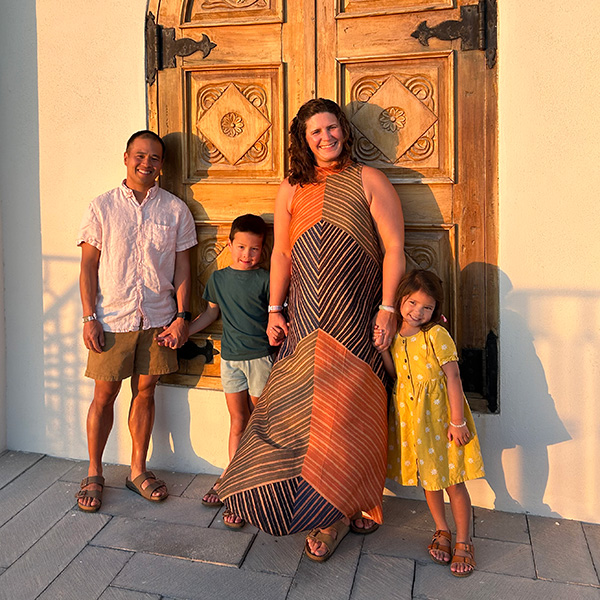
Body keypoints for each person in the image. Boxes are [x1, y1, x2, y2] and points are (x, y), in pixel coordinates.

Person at [217, 98, 405, 561]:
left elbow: (396, 247)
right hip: (304, 319)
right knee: (293, 412)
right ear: (304, 139)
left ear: (344, 129)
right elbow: (280, 254)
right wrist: (275, 310)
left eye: (331, 127)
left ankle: (340, 511)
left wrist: (387, 308)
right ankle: (269, 492)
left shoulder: (369, 180)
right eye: (315, 132)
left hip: (355, 314)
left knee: (350, 413)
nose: (326, 137)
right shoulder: (292, 188)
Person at [76, 130, 197, 512]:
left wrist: (181, 317)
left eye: (155, 158)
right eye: (140, 156)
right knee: (104, 395)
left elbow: (182, 268)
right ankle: (94, 472)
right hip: (112, 319)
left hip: (158, 320)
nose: (147, 163)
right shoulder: (102, 207)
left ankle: (137, 470)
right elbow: (88, 266)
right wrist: (89, 317)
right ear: (126, 157)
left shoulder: (175, 210)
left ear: (162, 165)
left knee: (146, 393)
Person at [161, 214, 272, 528]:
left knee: (259, 423)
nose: (247, 255)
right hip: (231, 360)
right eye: (241, 247)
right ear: (230, 244)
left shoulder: (266, 279)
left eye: (254, 249)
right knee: (238, 420)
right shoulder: (219, 280)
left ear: (263, 250)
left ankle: (257, 484)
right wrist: (181, 331)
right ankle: (231, 477)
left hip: (260, 360)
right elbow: (210, 314)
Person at [377, 269, 485, 577]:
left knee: (452, 479)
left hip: (439, 420)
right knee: (430, 478)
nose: (418, 312)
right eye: (412, 303)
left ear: (435, 309)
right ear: (400, 300)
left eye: (426, 307)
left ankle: (464, 540)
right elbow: (396, 374)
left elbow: (453, 376)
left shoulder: (435, 335)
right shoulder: (396, 333)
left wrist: (458, 421)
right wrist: (384, 351)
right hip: (412, 419)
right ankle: (441, 529)